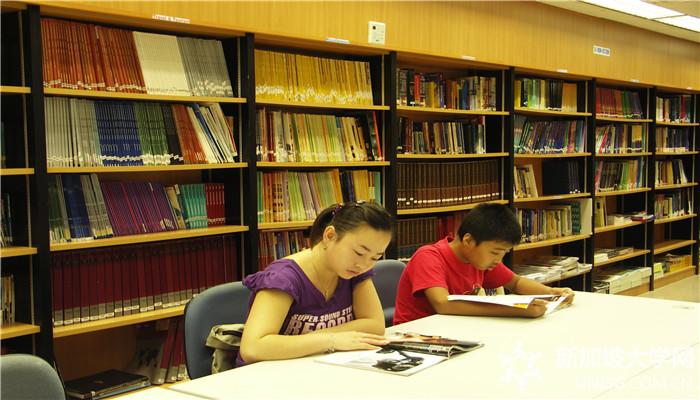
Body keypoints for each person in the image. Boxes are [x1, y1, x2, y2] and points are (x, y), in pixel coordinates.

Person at [239, 201, 393, 365]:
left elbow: (375, 325)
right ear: (330, 236)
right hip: (268, 373)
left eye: (375, 258)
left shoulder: (353, 272)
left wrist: (311, 341)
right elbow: (252, 348)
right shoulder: (283, 278)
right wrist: (331, 340)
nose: (364, 265)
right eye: (359, 253)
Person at [393, 203, 574, 325]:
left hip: (456, 328)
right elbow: (443, 304)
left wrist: (552, 293)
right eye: (495, 252)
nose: (498, 260)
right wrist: (518, 310)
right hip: (417, 336)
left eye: (503, 253)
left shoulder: (477, 259)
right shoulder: (429, 257)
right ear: (468, 240)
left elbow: (516, 282)